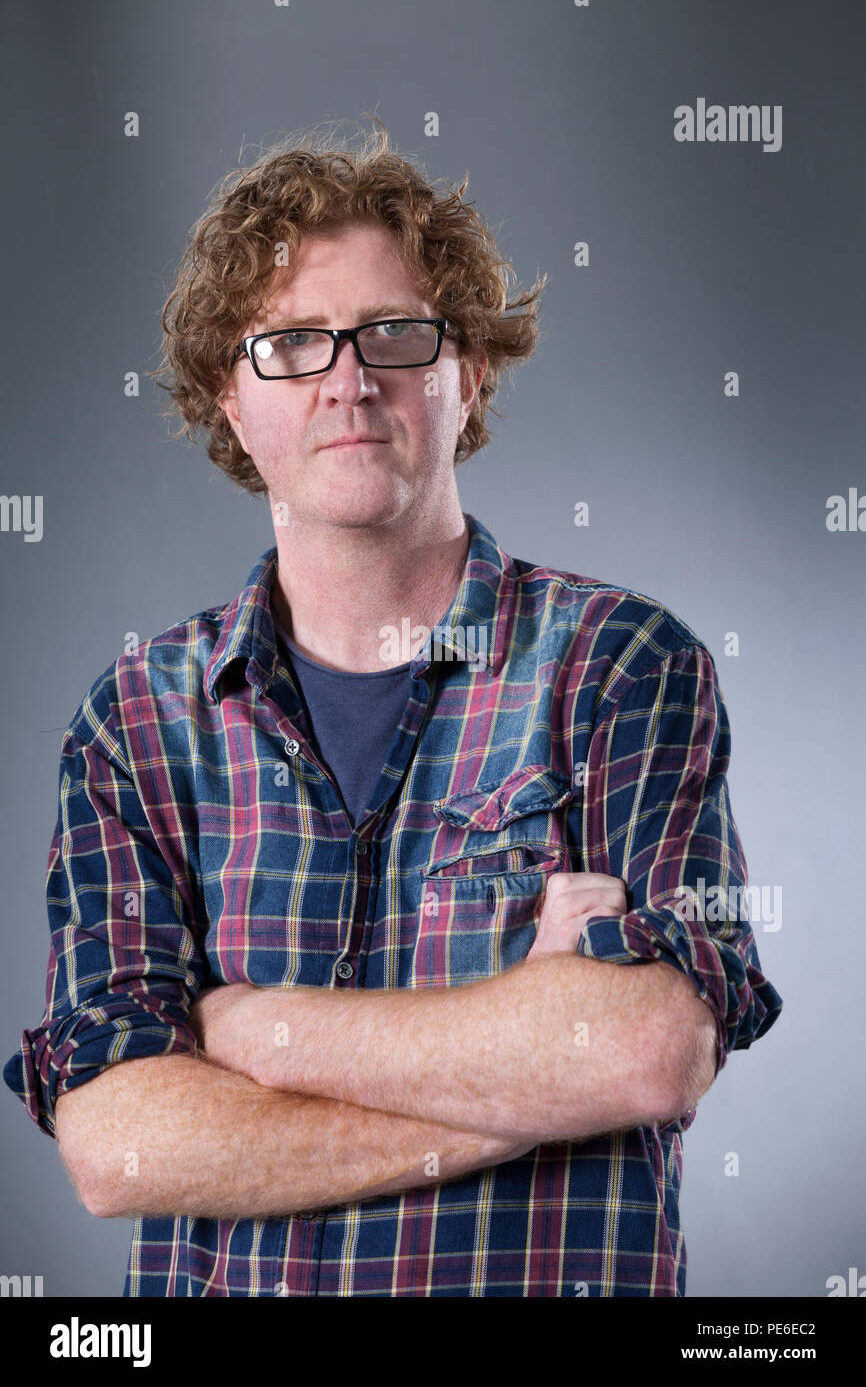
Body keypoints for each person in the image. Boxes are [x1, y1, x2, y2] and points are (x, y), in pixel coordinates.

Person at [4, 120, 782, 1297]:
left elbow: (647, 1048)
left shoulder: (621, 665)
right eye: (293, 345)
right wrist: (518, 1083)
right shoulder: (135, 724)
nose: (348, 378)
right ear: (230, 394)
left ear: (463, 369)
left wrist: (259, 1033)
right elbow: (116, 1146)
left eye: (393, 334)